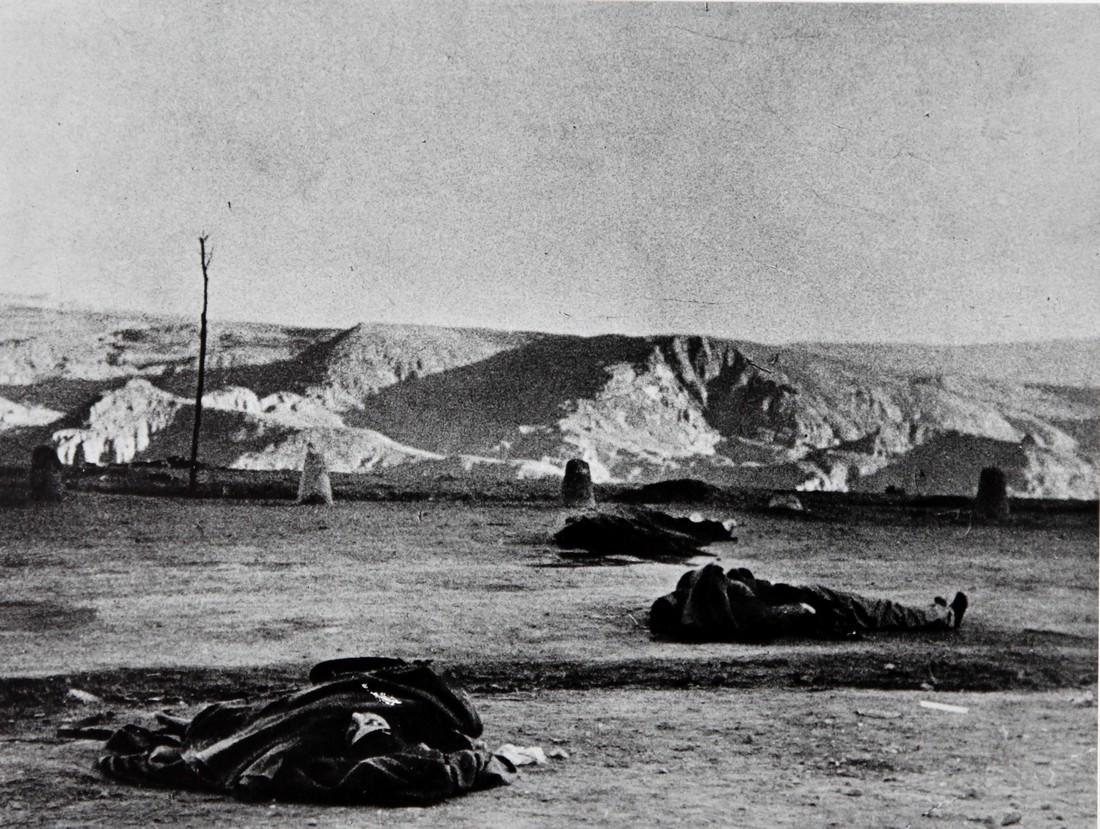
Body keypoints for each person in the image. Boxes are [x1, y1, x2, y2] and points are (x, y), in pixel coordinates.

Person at [649, 563, 968, 642]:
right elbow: (772, 617)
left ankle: (935, 613)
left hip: (795, 594)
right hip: (806, 598)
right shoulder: (716, 593)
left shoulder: (689, 596)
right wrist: (803, 610)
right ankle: (942, 616)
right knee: (874, 610)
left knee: (874, 608)